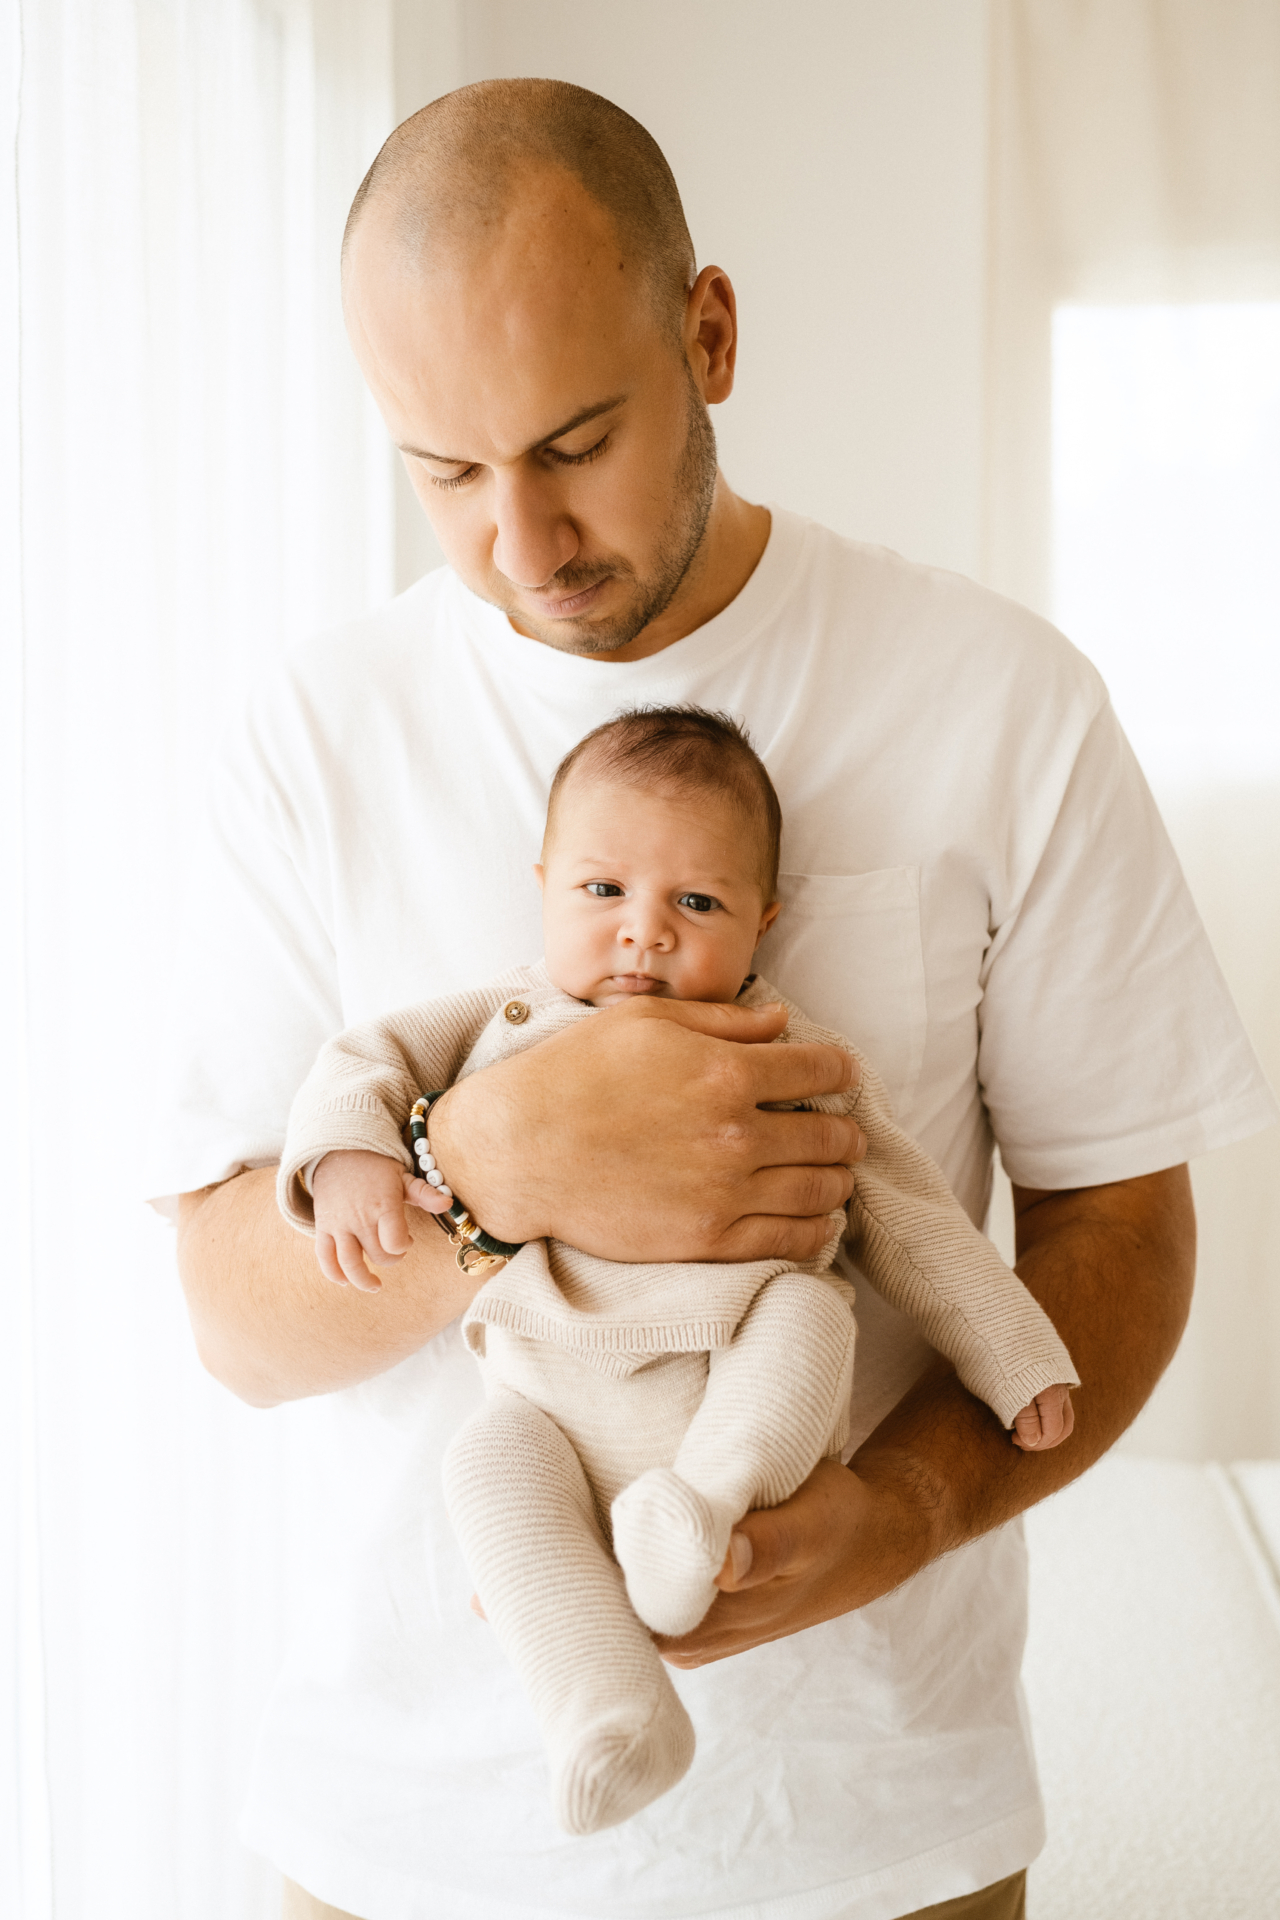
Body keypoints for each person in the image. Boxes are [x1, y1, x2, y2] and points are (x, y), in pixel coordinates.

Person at [157, 77, 1276, 1920]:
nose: (520, 543)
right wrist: (488, 1170)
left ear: (710, 333)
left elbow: (1123, 1233)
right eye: (443, 472)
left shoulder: (1002, 703)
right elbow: (232, 1312)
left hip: (878, 1847)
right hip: (395, 1854)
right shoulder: (311, 739)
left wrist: (904, 1513)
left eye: (574, 442)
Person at [274, 706, 1077, 1837]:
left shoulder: (791, 1055)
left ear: (764, 920)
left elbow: (912, 1214)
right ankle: (607, 1710)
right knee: (485, 1466)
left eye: (693, 904)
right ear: (544, 884)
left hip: (727, 1373)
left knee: (811, 1314)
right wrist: (352, 1156)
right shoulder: (504, 1019)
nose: (641, 934)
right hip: (551, 1396)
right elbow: (363, 1062)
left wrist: (1011, 1352)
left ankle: (694, 1516)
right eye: (602, 893)